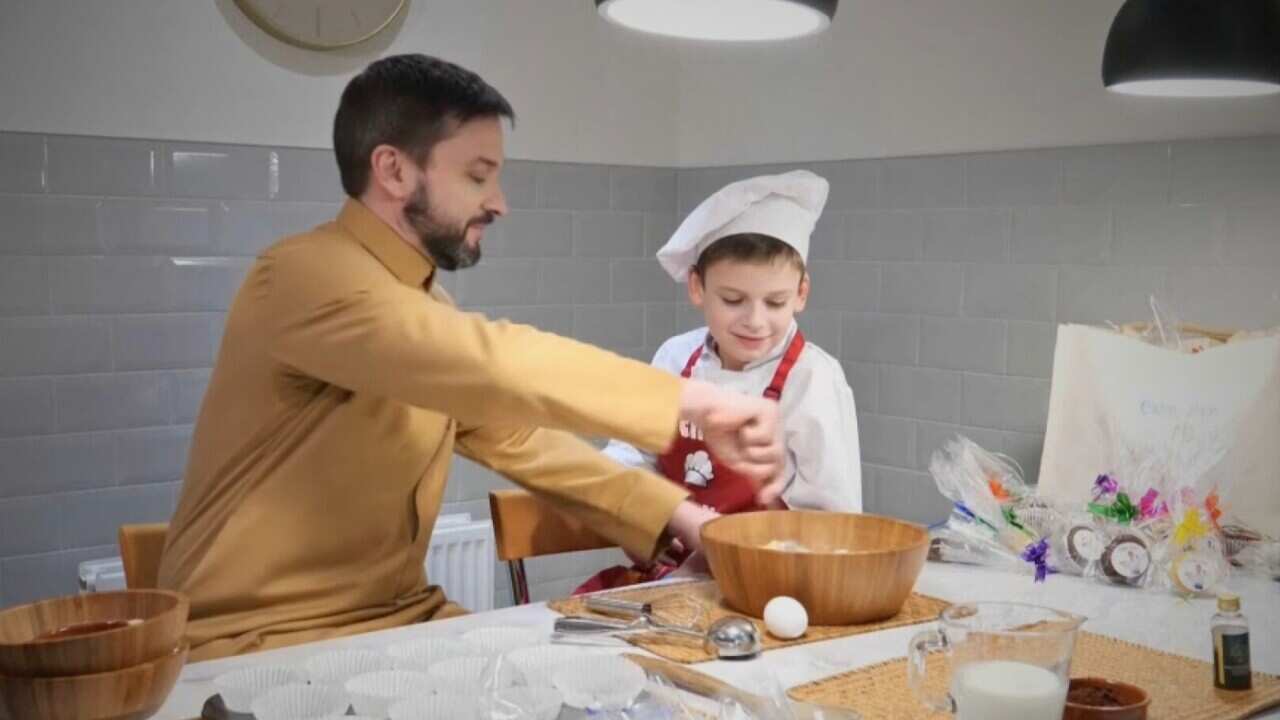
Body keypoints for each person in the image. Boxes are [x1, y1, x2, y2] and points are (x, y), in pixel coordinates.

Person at [156, 54, 784, 661]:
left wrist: (685, 518)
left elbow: (522, 441)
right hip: (255, 640)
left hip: (400, 620)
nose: (499, 201)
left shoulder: (423, 306)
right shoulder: (298, 276)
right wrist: (693, 402)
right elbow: (485, 360)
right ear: (394, 171)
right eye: (477, 176)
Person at [576, 170, 862, 593]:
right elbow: (628, 457)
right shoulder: (676, 358)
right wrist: (645, 517)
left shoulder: (814, 378)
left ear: (802, 293)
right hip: (668, 582)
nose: (755, 320)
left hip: (771, 585)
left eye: (776, 302)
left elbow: (834, 522)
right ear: (697, 287)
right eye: (733, 300)